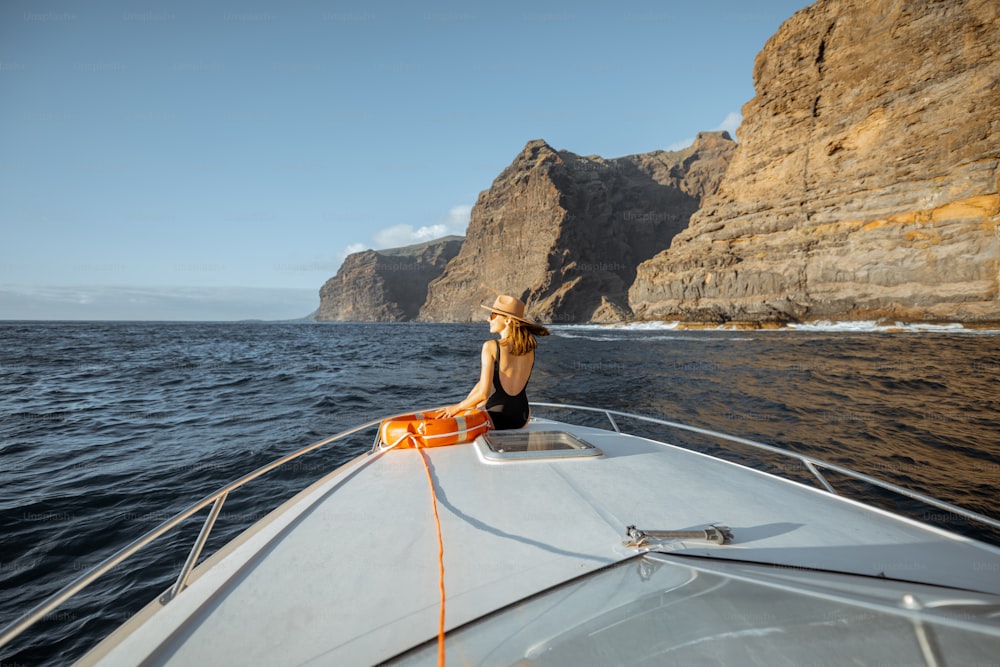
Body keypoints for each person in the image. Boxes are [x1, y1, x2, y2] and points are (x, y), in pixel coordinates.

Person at [442, 294, 550, 430]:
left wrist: (456, 408)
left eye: (493, 315)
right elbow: (485, 383)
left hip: (497, 417)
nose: (488, 319)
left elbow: (483, 394)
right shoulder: (530, 349)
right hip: (522, 416)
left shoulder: (491, 346)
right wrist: (466, 402)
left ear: (508, 321)